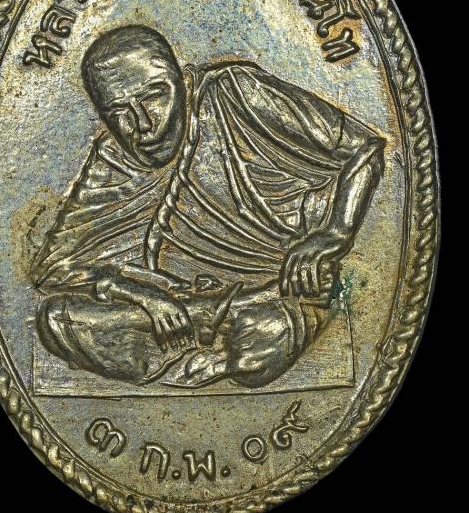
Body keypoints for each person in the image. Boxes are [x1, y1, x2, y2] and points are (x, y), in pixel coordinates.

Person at [32, 25, 385, 388]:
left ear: (182, 80)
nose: (143, 124)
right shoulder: (114, 157)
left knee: (271, 330)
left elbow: (364, 149)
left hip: (275, 292)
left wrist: (336, 233)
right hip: (176, 307)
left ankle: (221, 342)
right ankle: (212, 333)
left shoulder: (234, 91)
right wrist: (141, 295)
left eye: (154, 96)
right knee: (56, 320)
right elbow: (53, 270)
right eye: (118, 111)